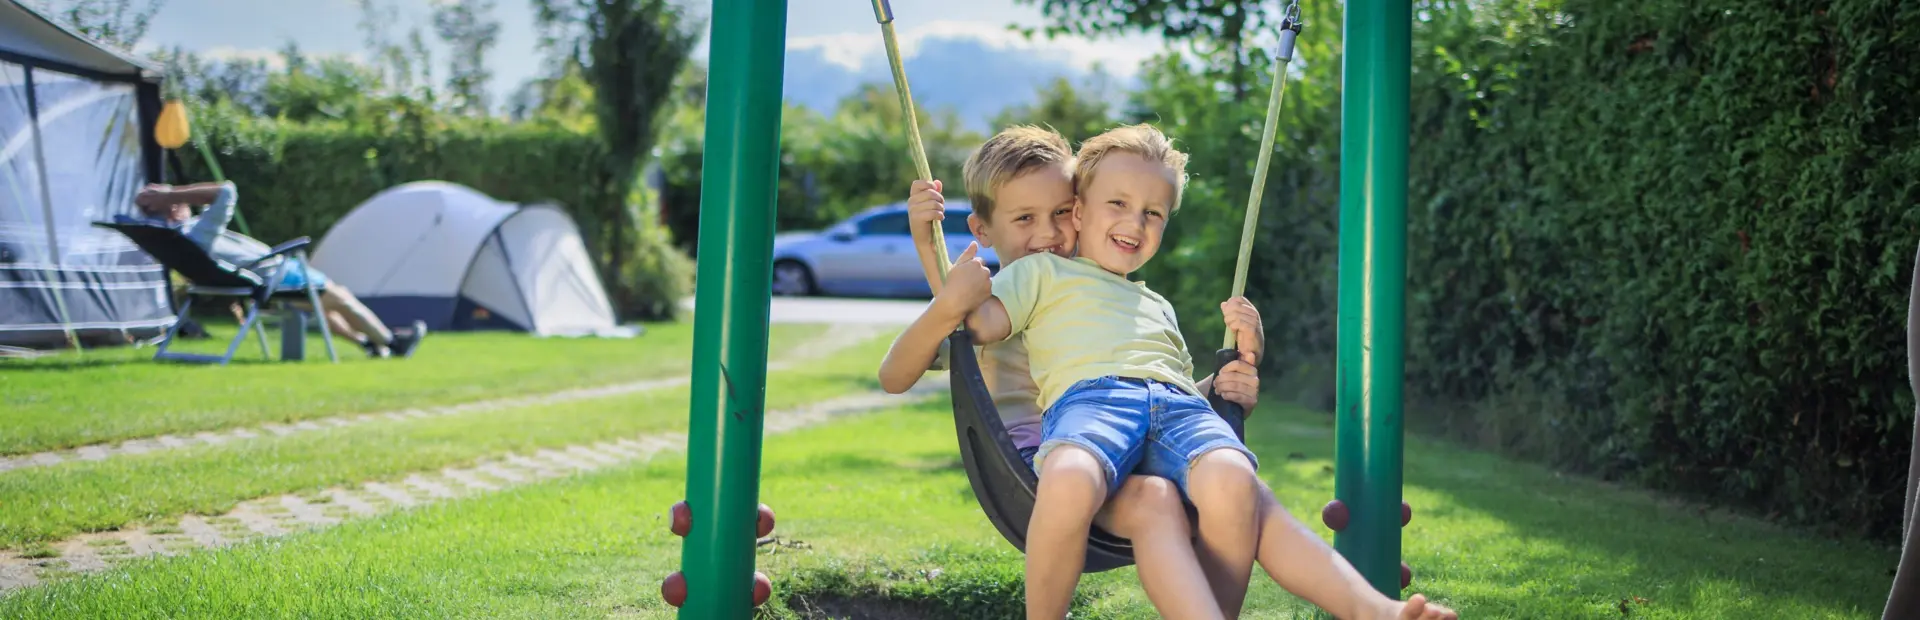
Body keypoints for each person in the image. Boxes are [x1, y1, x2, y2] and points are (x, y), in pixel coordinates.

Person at [880, 124, 1457, 620]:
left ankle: (1366, 609)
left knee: (1213, 489)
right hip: (1053, 451)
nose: (1051, 234)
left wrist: (1225, 388)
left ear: (1078, 210)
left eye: (1060, 214)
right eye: (1026, 218)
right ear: (985, 230)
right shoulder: (1026, 284)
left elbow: (1162, 384)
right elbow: (918, 356)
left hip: (1156, 436)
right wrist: (932, 259)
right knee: (1090, 477)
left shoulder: (1138, 299)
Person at [127, 182, 427, 359]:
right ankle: (392, 342)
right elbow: (226, 191)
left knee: (323, 305)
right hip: (275, 275)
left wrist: (168, 198)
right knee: (339, 296)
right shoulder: (197, 232)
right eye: (178, 199)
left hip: (261, 278)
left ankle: (367, 344)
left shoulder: (176, 240)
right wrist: (171, 194)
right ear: (172, 208)